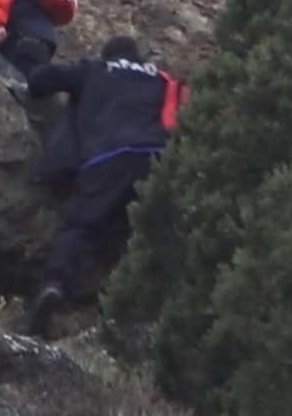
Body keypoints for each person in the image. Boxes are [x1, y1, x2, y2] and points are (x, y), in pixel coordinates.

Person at [20, 35, 176, 338]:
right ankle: (150, 317)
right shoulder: (160, 78)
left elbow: (42, 81)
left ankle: (55, 285)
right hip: (157, 162)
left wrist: (34, 60)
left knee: (81, 226)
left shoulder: (95, 69)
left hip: (108, 158)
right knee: (150, 237)